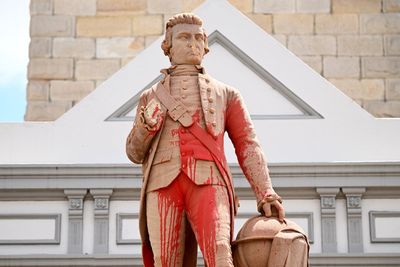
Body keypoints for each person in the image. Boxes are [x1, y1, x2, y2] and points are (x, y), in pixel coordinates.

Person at [126, 13, 285, 267]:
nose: (193, 43)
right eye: (184, 37)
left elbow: (247, 143)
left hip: (210, 181)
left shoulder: (227, 93)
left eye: (199, 38)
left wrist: (266, 192)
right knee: (165, 261)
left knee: (221, 253)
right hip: (162, 183)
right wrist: (145, 127)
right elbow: (134, 153)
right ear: (168, 47)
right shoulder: (150, 97)